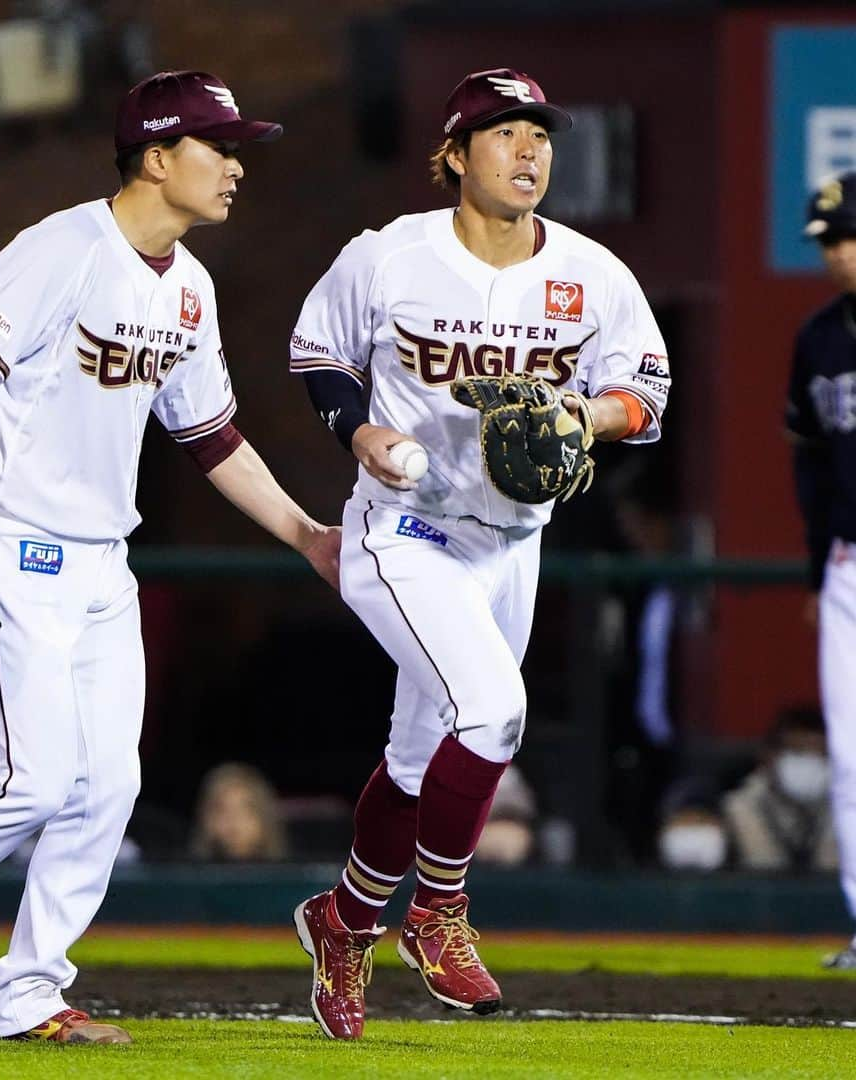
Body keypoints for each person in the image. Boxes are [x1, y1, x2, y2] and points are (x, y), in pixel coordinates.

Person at [0, 70, 341, 1045]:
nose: (237, 168)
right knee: (34, 775)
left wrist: (304, 533)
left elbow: (213, 438)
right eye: (218, 148)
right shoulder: (58, 249)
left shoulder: (190, 287)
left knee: (109, 784)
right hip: (6, 532)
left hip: (104, 557)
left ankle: (29, 992)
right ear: (157, 157)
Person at [289, 68, 670, 1040]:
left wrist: (587, 412)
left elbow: (647, 396)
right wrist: (356, 433)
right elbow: (319, 354)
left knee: (420, 761)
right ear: (455, 155)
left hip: (511, 542)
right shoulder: (389, 257)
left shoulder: (593, 273)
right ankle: (438, 913)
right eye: (504, 133)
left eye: (539, 132)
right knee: (495, 710)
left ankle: (345, 919)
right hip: (403, 529)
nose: (530, 150)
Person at [784, 172, 856, 968]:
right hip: (845, 565)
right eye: (830, 242)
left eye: (848, 237)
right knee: (850, 753)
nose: (838, 254)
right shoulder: (820, 339)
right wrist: (812, 573)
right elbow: (809, 465)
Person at [720, 707, 837, 873]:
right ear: (768, 756)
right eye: (798, 752)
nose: (810, 761)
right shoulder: (735, 807)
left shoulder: (845, 806)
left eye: (819, 753)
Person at [189, 761, 288, 861]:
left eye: (245, 809)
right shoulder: (185, 872)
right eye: (221, 810)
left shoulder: (291, 872)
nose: (233, 819)